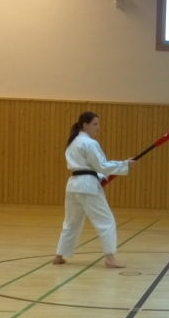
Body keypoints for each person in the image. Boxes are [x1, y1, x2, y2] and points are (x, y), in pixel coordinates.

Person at [53, 112, 135, 268]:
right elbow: (102, 165)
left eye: (98, 124)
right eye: (95, 124)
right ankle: (110, 258)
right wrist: (124, 164)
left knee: (71, 223)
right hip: (87, 186)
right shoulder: (89, 143)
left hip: (74, 185)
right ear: (85, 125)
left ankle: (59, 256)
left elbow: (86, 167)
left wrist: (101, 175)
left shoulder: (72, 142)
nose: (98, 127)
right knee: (106, 221)